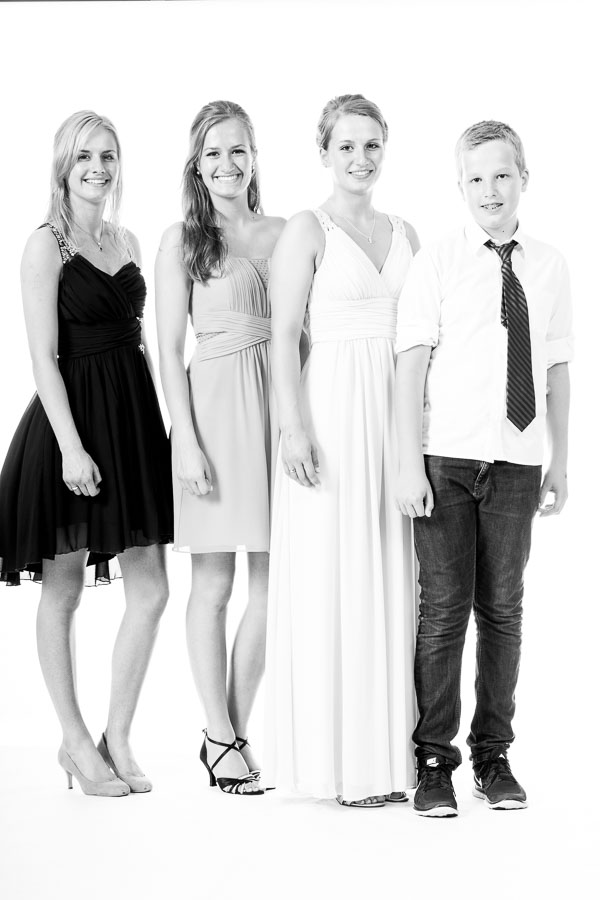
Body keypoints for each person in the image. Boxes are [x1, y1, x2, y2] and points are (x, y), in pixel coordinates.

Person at [395, 120, 573, 816]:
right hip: (446, 459)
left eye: (502, 175)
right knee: (442, 612)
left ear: (524, 177)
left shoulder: (550, 265)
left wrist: (560, 459)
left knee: (503, 611)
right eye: (476, 178)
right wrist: (408, 463)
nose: (490, 190)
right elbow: (411, 367)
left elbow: (555, 367)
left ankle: (492, 754)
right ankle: (433, 760)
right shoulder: (438, 260)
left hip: (518, 461)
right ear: (460, 186)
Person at [0, 110, 173, 796]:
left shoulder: (126, 238)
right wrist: (72, 448)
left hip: (132, 425)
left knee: (152, 589)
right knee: (65, 588)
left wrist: (160, 429)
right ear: (62, 167)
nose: (97, 168)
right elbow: (41, 357)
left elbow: (139, 342)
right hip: (71, 428)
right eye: (84, 157)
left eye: (107, 156)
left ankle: (116, 736)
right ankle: (74, 742)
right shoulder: (45, 245)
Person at [264, 94, 419, 807]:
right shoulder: (308, 228)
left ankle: (385, 761)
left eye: (372, 145)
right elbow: (282, 335)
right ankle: (337, 764)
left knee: (391, 567)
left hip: (394, 414)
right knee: (334, 568)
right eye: (346, 146)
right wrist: (292, 428)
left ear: (386, 148)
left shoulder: (406, 231)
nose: (361, 158)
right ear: (324, 153)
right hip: (329, 408)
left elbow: (424, 333)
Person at [155, 100, 284, 796]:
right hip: (210, 415)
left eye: (238, 150)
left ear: (254, 157)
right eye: (213, 153)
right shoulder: (182, 240)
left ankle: (227, 734)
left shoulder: (286, 232)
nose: (227, 164)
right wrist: (185, 442)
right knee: (213, 584)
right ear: (196, 166)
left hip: (277, 414)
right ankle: (220, 732)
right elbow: (167, 350)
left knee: (270, 586)